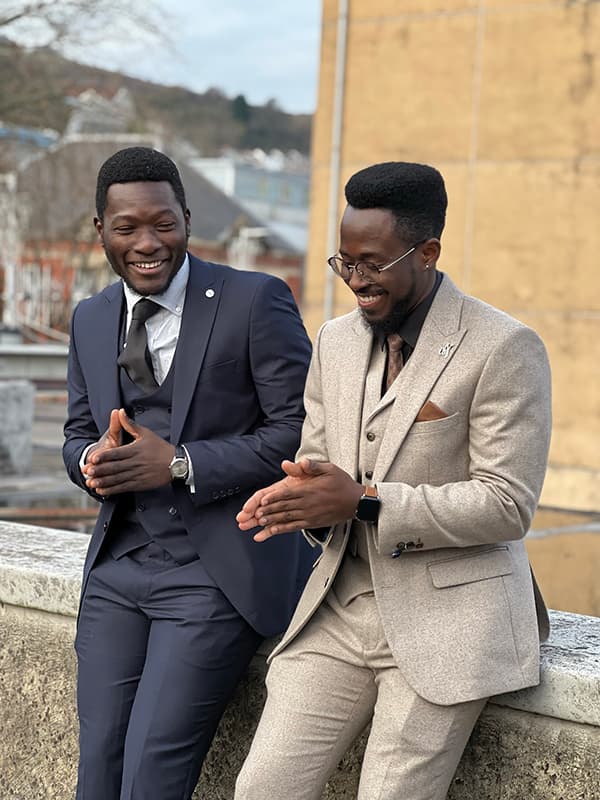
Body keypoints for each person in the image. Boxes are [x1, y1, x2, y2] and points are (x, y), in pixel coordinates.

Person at [235, 161, 552, 800]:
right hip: (338, 609)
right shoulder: (334, 341)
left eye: (372, 264)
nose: (355, 281)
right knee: (262, 789)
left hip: (451, 619)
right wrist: (301, 502)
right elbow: (318, 457)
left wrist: (367, 501)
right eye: (344, 262)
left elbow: (506, 504)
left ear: (427, 252)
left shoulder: (503, 346)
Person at [62, 146, 313, 800]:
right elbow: (76, 431)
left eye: (163, 224)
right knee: (98, 777)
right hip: (119, 568)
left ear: (187, 219)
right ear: (101, 231)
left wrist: (180, 462)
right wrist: (89, 461)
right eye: (128, 228)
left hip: (213, 574)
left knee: (152, 778)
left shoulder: (256, 301)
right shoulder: (90, 318)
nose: (148, 243)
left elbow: (301, 432)